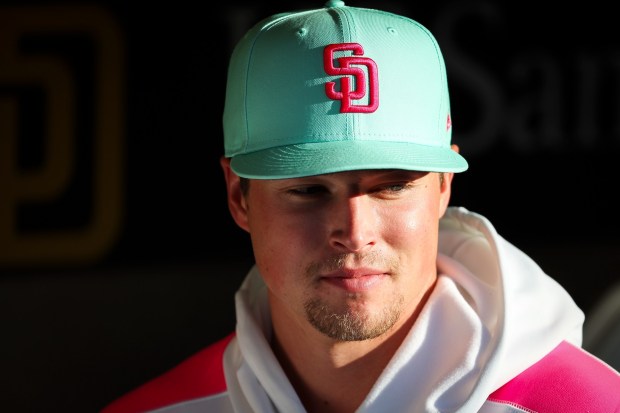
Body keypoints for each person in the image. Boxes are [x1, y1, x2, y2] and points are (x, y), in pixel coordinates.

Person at [102, 1, 620, 412]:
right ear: (239, 195)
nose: (354, 230)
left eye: (392, 186)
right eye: (308, 190)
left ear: (442, 189)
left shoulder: (590, 407)